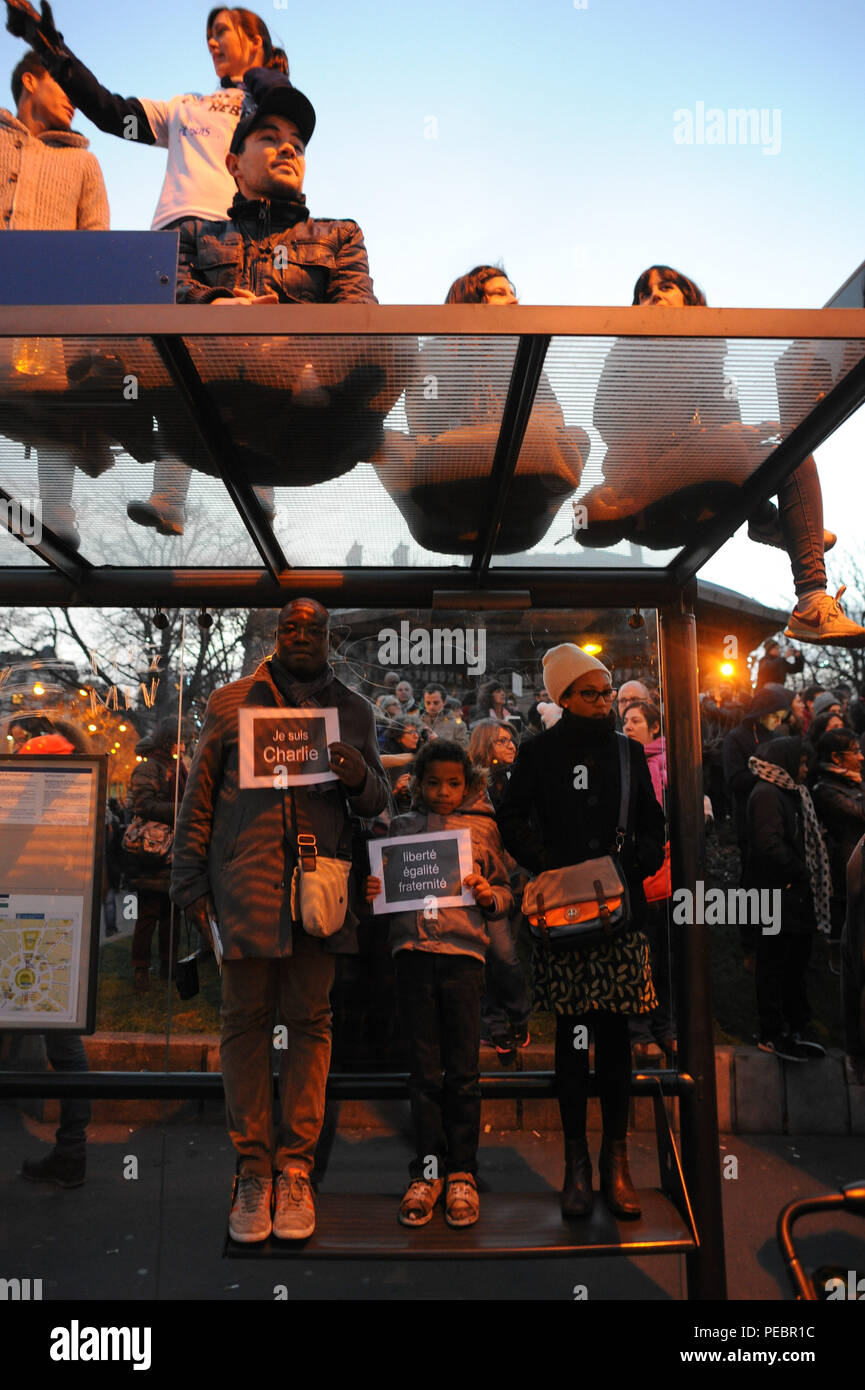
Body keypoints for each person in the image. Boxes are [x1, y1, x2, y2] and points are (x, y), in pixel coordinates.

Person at [4, 3, 290, 536]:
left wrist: (264, 68)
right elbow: (110, 111)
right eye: (207, 34)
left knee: (241, 360)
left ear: (256, 41)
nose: (211, 42)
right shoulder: (185, 107)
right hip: (172, 244)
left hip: (238, 236)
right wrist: (51, 48)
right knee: (172, 367)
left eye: (222, 31)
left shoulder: (265, 103)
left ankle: (258, 486)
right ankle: (169, 496)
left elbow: (287, 114)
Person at [170, 598, 388, 1243]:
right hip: (245, 890)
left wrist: (356, 775)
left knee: (312, 1025)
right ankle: (252, 1170)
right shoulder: (233, 703)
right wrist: (188, 883)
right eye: (289, 626)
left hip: (319, 893)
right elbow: (198, 795)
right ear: (274, 634)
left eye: (313, 628)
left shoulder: (354, 710)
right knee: (243, 1025)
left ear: (328, 637)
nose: (300, 636)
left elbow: (379, 802)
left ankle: (295, 1168)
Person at [580, 264, 863, 645]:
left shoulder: (715, 366)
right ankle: (768, 521)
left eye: (666, 287)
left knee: (791, 454)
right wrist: (716, 436)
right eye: (644, 294)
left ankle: (811, 601)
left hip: (704, 497)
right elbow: (610, 421)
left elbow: (728, 441)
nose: (654, 296)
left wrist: (742, 433)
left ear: (690, 299)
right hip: (649, 498)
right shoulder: (624, 354)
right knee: (732, 447)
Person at [498, 645, 666, 1221]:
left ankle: (615, 1160)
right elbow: (510, 817)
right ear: (562, 696)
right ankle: (576, 1164)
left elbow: (653, 824)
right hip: (564, 918)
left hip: (620, 917)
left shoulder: (627, 752)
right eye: (591, 692)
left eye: (607, 691)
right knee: (573, 1040)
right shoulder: (539, 752)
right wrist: (552, 865)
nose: (605, 701)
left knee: (616, 1040)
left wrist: (628, 869)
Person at [364, 739, 513, 1228]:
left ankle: (463, 1173)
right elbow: (381, 893)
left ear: (468, 782)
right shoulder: (401, 829)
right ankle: (427, 1171)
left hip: (463, 958)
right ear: (418, 783)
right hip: (411, 957)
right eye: (434, 782)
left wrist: (491, 897)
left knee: (463, 1071)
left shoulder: (482, 830)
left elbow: (508, 889)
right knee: (425, 1072)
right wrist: (373, 892)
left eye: (454, 783)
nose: (444, 792)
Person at [374, 263, 587, 555]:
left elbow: (551, 426)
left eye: (513, 294)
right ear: (471, 302)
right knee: (382, 443)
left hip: (519, 511)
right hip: (447, 501)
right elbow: (426, 427)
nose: (514, 300)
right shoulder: (437, 353)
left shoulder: (524, 353)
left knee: (577, 439)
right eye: (500, 293)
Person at [0, 48, 109, 551]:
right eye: (63, 86)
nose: (74, 100)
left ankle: (57, 508)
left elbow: (96, 243)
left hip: (46, 309)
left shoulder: (82, 161)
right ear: (29, 80)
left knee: (52, 397)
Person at [16, 714, 92, 1187]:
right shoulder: (77, 792)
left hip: (36, 917)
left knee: (60, 1040)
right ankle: (72, 1149)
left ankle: (71, 1151)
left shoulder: (43, 793)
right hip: (57, 917)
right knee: (62, 1039)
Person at [745, 737, 832, 1061]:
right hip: (776, 896)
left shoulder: (788, 791)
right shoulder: (768, 793)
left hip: (789, 896)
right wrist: (802, 872)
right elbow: (769, 845)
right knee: (775, 964)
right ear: (787, 761)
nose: (806, 770)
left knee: (794, 963)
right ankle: (773, 1031)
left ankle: (796, 1024)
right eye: (803, 763)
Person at [468, 720, 531, 1059]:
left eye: (511, 739)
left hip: (516, 876)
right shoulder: (475, 784)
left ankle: (517, 1016)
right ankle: (494, 1024)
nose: (510, 745)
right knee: (493, 953)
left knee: (506, 956)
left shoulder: (520, 779)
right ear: (484, 745)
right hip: (486, 877)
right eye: (501, 740)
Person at [622, 700, 676, 1064]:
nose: (628, 726)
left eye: (636, 721)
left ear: (654, 728)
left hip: (670, 871)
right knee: (639, 954)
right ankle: (638, 1028)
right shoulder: (623, 764)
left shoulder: (674, 765)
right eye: (625, 721)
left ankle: (666, 1024)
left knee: (667, 956)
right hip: (637, 870)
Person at [125, 720, 186, 992]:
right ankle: (141, 970)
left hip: (174, 848)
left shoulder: (177, 767)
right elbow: (144, 805)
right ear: (168, 741)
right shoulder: (150, 767)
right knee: (149, 913)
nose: (183, 745)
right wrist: (183, 809)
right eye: (179, 740)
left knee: (171, 913)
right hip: (154, 850)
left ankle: (168, 966)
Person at [810, 729, 865, 949]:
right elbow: (860, 813)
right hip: (844, 862)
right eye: (855, 751)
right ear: (836, 757)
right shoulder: (825, 789)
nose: (861, 756)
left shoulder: (854, 781)